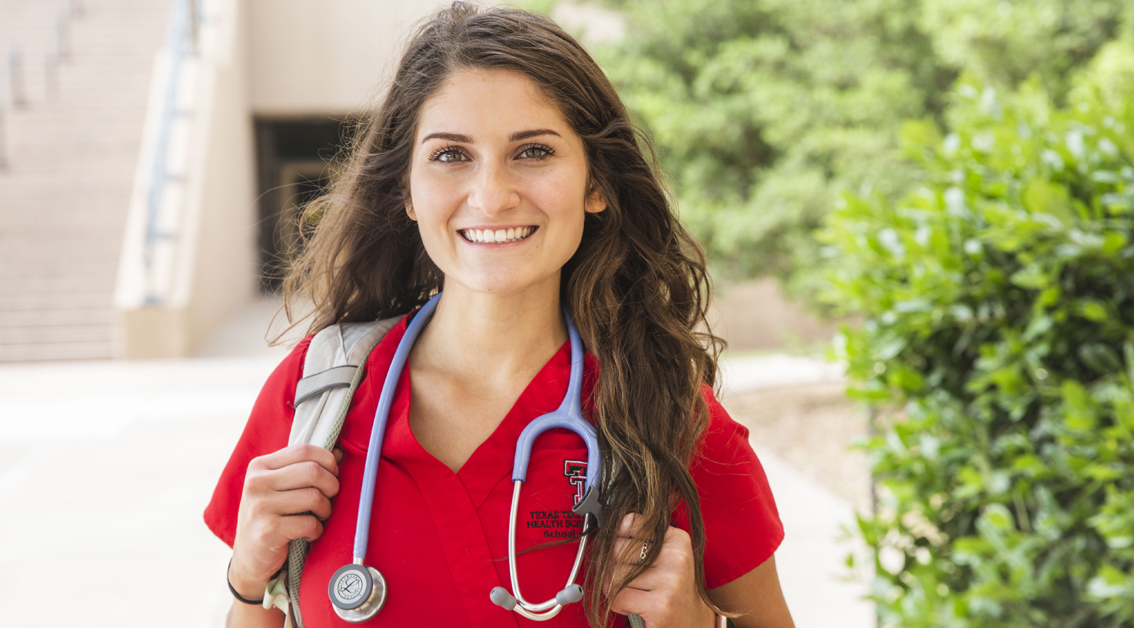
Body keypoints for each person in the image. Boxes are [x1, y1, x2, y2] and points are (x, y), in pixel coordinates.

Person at [204, 3, 793, 627]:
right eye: (451, 155)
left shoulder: (670, 419)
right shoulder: (316, 396)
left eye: (533, 151)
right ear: (406, 188)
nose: (490, 195)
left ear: (597, 183)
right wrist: (247, 583)